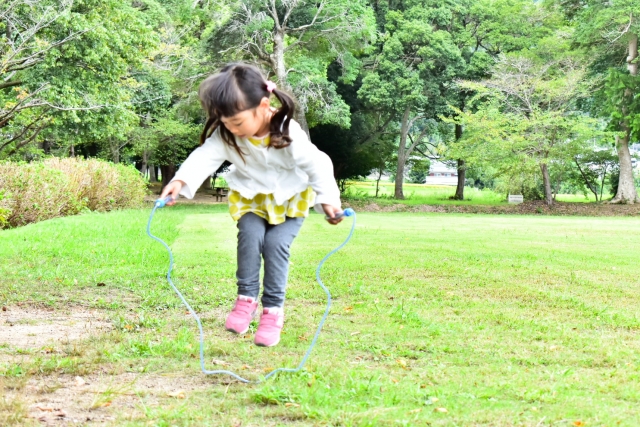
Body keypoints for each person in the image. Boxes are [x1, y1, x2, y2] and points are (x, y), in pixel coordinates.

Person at [160, 63, 344, 347]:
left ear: (264, 105)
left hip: (290, 200)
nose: (231, 129)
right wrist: (180, 181)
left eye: (237, 122)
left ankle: (272, 311)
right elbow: (205, 156)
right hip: (251, 198)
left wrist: (329, 200)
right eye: (225, 123)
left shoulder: (288, 131)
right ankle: (246, 300)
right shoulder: (228, 134)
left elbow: (317, 164)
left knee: (275, 246)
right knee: (250, 236)